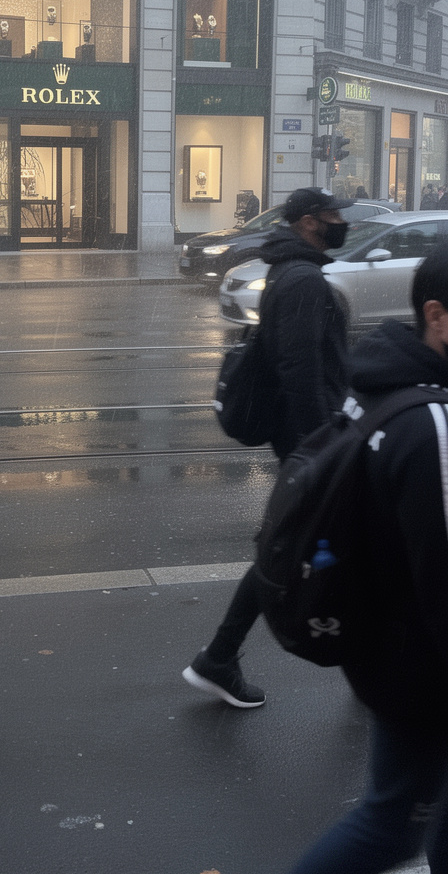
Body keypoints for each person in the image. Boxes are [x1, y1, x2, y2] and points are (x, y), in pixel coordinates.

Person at [284, 247, 448, 872]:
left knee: (399, 820)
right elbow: (441, 576)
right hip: (421, 664)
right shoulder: (427, 420)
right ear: (437, 316)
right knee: (389, 826)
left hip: (389, 648)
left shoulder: (383, 386)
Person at [183, 186, 354, 708]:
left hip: (303, 438)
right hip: (307, 439)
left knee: (310, 547)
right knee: (286, 549)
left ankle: (222, 656)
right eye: (331, 215)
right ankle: (219, 655)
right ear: (307, 222)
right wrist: (320, 449)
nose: (338, 222)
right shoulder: (302, 279)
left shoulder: (292, 269)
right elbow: (301, 371)